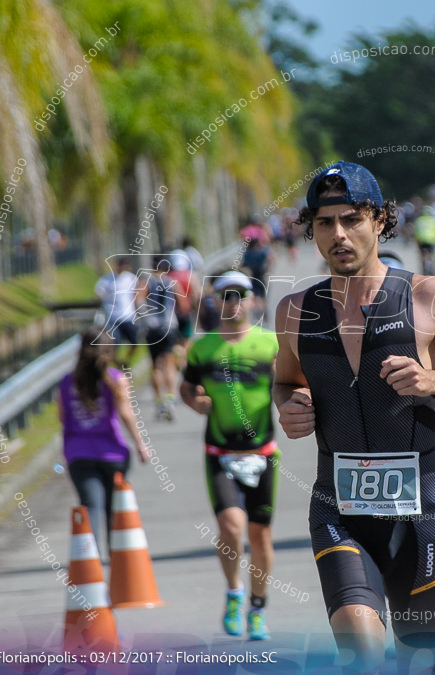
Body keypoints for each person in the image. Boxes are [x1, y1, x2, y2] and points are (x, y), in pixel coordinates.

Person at [273, 161, 435, 673]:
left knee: (420, 663)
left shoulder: (428, 298)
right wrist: (289, 405)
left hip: (422, 518)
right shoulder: (294, 311)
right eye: (325, 222)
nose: (338, 234)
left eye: (352, 219)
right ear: (311, 229)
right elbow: (285, 380)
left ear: (381, 222)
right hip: (338, 512)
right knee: (361, 653)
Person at [180, 271, 281, 640]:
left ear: (252, 300)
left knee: (260, 535)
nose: (233, 302)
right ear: (216, 301)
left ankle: (258, 606)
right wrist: (196, 403)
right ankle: (235, 591)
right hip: (220, 452)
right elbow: (186, 388)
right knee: (231, 527)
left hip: (263, 452)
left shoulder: (270, 343)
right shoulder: (203, 348)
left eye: (240, 295)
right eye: (225, 296)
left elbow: (290, 384)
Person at [59, 326, 149, 557]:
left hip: (78, 454)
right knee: (113, 511)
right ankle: (117, 563)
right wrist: (140, 444)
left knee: (90, 506)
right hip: (113, 454)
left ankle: (91, 563)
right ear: (109, 351)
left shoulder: (67, 382)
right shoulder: (116, 379)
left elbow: (62, 417)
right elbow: (126, 414)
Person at [137, 256, 180, 420]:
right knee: (169, 363)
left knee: (155, 365)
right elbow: (183, 303)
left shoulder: (147, 281)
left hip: (153, 329)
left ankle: (159, 401)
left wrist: (146, 318)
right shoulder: (171, 282)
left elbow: (138, 301)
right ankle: (170, 397)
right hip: (169, 327)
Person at [94, 257, 140, 367]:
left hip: (128, 316)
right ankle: (116, 365)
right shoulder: (106, 280)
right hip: (112, 317)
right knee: (114, 344)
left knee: (135, 343)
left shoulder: (131, 279)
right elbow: (97, 295)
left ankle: (125, 361)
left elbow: (137, 296)